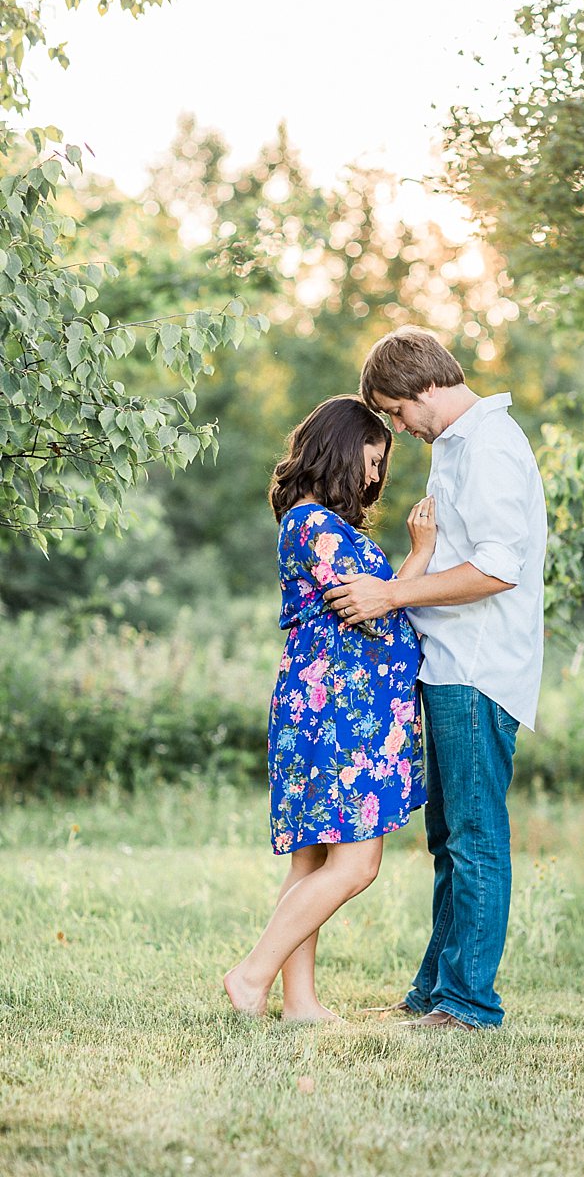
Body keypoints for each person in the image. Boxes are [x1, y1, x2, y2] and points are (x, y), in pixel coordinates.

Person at [324, 327, 547, 1031]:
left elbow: (495, 570)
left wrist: (389, 596)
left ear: (423, 388)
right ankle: (435, 993)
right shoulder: (457, 445)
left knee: (475, 837)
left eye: (394, 410)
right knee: (450, 838)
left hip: (479, 671)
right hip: (449, 667)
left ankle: (470, 1004)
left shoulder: (489, 446)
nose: (397, 426)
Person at [224, 395, 435, 1020]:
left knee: (312, 860)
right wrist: (421, 553)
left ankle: (300, 1002)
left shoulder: (319, 525)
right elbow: (367, 608)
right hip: (338, 711)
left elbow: (374, 600)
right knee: (356, 864)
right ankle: (251, 974)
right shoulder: (314, 526)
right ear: (342, 450)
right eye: (371, 460)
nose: (375, 477)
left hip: (332, 707)